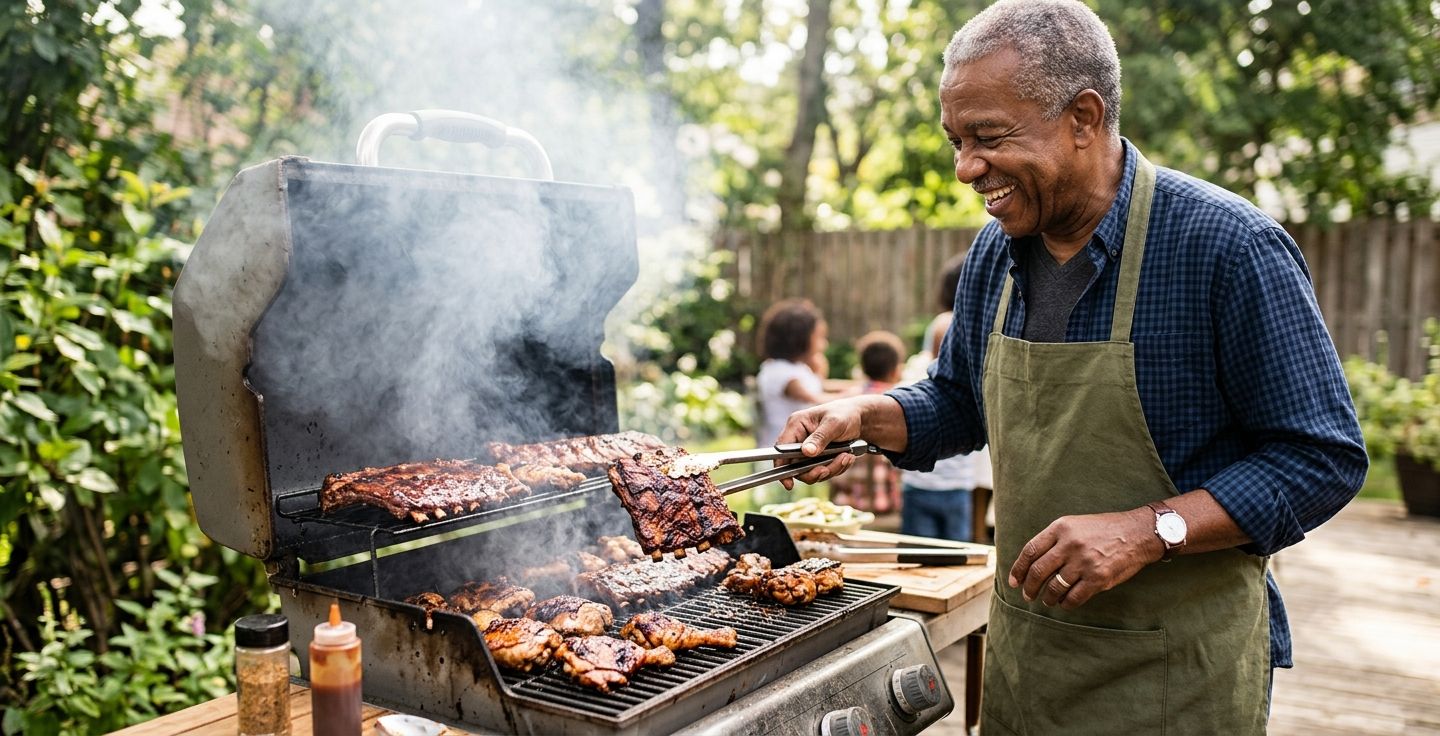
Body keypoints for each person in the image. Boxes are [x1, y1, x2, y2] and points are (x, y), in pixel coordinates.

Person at [774, 1, 1367, 733]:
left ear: (1084, 117)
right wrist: (866, 416)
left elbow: (1321, 458)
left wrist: (1148, 531)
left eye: (987, 137)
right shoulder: (995, 254)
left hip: (1176, 676)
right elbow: (959, 399)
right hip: (1031, 661)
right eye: (956, 140)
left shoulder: (1228, 248)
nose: (965, 168)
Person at [899, 255, 992, 542]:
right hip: (944, 483)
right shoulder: (953, 323)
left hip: (938, 483)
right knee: (943, 550)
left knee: (946, 551)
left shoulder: (942, 324)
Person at [753, 298, 852, 449]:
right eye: (819, 337)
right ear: (798, 339)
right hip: (783, 448)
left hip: (800, 444)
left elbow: (821, 386)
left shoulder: (796, 368)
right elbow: (815, 399)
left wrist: (855, 386)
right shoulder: (782, 373)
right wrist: (852, 396)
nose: (824, 344)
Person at [828, 330, 906, 512]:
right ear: (896, 370)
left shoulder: (844, 401)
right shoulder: (898, 403)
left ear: (862, 368)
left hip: (844, 504)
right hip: (885, 505)